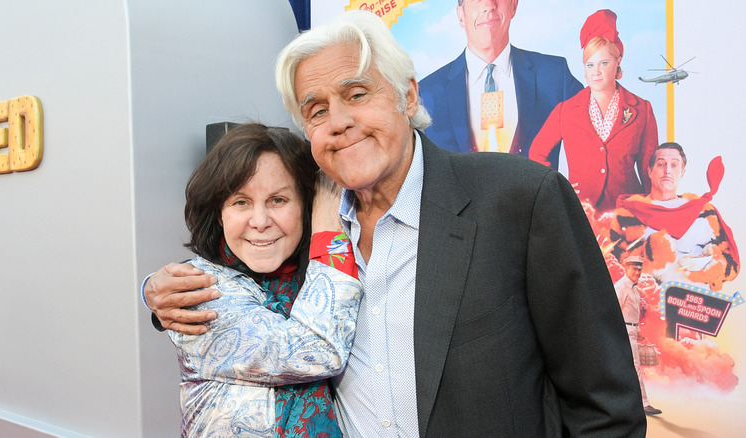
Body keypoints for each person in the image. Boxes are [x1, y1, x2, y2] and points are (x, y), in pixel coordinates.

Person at [145, 11, 646, 437]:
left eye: (357, 93)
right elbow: (245, 293)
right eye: (316, 111)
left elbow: (605, 406)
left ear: (408, 96)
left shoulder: (519, 199)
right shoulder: (304, 232)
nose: (338, 121)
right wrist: (156, 292)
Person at [167, 123, 363, 437]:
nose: (260, 222)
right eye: (241, 202)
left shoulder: (313, 273)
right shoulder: (197, 291)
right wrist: (329, 234)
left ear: (306, 206)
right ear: (219, 214)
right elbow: (316, 351)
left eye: (277, 200)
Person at [418, 0, 583, 168]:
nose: (489, 5)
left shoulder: (555, 76)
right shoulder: (425, 94)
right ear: (461, 15)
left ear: (514, 5)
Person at [529, 9, 659, 212]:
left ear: (618, 62)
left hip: (629, 215)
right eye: (589, 65)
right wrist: (557, 191)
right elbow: (537, 153)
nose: (595, 72)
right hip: (581, 213)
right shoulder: (566, 110)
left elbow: (649, 170)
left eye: (603, 63)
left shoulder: (642, 109)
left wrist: (654, 211)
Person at [610, 142, 740, 291]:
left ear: (682, 172)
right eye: (661, 164)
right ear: (650, 171)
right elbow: (613, 265)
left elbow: (730, 262)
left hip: (697, 301)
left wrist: (715, 268)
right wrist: (651, 258)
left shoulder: (704, 211)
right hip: (649, 300)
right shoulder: (627, 214)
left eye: (674, 165)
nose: (667, 171)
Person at [613, 255, 661, 416]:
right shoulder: (621, 286)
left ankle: (624, 403)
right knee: (634, 367)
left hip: (631, 330)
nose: (638, 272)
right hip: (624, 332)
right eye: (634, 268)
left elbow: (631, 312)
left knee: (626, 368)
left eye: (640, 269)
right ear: (626, 268)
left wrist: (638, 330)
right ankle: (644, 404)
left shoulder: (634, 288)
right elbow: (615, 312)